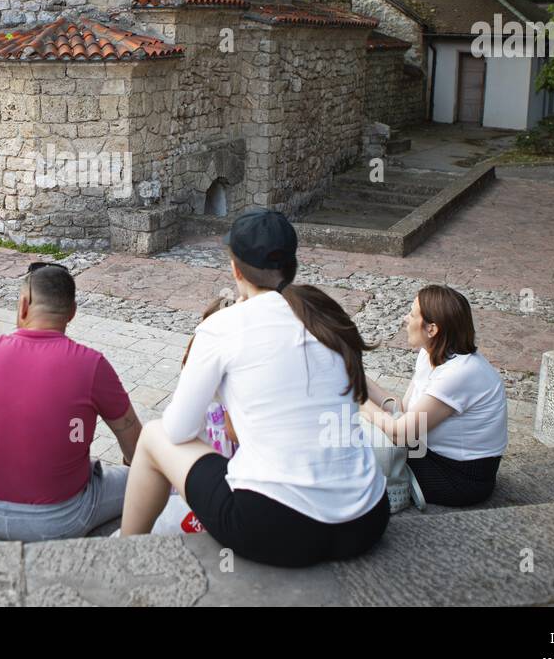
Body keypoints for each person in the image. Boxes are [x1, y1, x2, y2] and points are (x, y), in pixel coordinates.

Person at [120, 209, 389, 568]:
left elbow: (179, 430)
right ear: (291, 266)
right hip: (366, 519)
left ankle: (123, 553)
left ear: (235, 269)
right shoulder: (324, 315)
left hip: (278, 528)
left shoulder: (222, 327)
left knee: (154, 435)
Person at [0, 261, 143, 541]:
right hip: (60, 519)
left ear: (23, 305)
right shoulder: (91, 365)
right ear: (71, 313)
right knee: (151, 474)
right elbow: (132, 439)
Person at [360, 285, 507, 507]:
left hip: (460, 478)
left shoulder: (461, 373)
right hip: (429, 453)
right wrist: (354, 375)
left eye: (411, 313)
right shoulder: (431, 354)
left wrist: (357, 400)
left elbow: (402, 434)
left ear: (432, 329)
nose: (405, 319)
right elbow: (403, 410)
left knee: (358, 448)